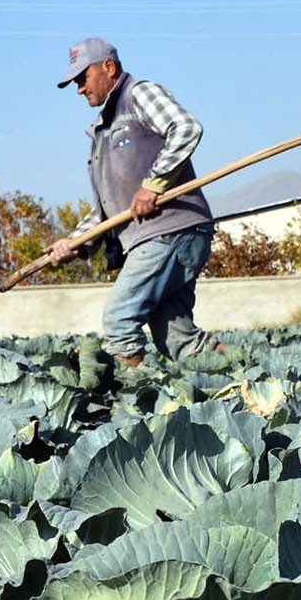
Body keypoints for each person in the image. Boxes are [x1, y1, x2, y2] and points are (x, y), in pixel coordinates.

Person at [45, 38, 219, 364]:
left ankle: (129, 408)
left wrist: (154, 184)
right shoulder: (101, 132)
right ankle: (248, 379)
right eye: (75, 83)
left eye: (82, 79)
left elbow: (186, 127)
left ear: (108, 67)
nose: (79, 89)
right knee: (178, 341)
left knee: (119, 319)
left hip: (170, 231)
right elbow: (107, 212)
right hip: (161, 236)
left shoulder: (138, 94)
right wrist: (74, 242)